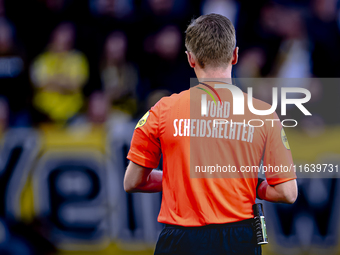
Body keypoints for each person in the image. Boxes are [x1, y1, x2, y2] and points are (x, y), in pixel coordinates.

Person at [124, 14, 298, 255]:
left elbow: (133, 181)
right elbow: (287, 193)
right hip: (240, 239)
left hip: (181, 239)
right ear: (235, 55)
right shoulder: (265, 114)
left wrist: (181, 179)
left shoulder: (161, 111)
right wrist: (252, 185)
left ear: (190, 59)